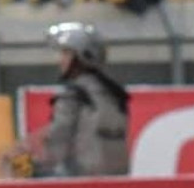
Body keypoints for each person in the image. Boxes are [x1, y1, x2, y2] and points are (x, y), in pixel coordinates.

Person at [34, 22, 129, 176]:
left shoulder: (73, 95)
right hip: (116, 178)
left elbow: (58, 141)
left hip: (80, 179)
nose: (60, 60)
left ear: (82, 56)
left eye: (66, 53)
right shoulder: (114, 94)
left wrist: (36, 166)